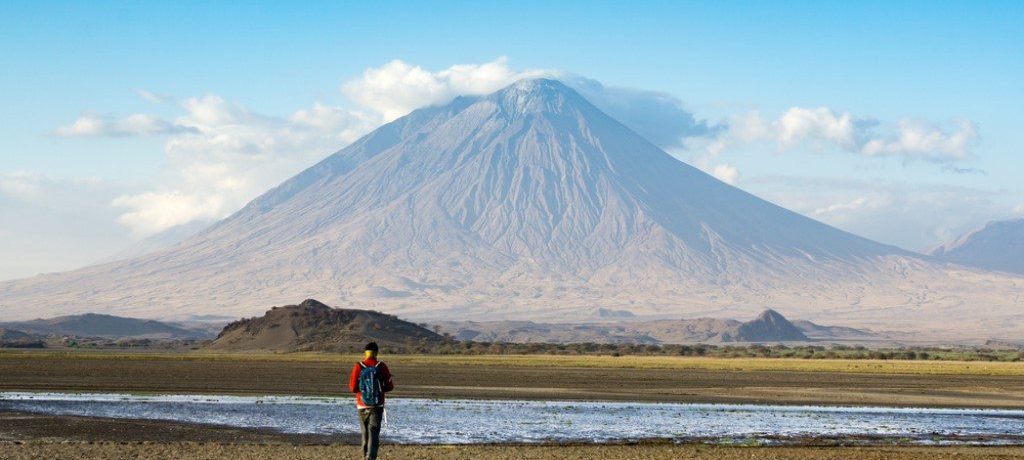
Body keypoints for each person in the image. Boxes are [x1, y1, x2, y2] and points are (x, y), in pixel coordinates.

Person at [348, 342, 394, 460]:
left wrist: (363, 391)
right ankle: (370, 458)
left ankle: (365, 457)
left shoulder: (358, 366)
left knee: (365, 434)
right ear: (376, 352)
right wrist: (379, 390)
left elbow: (352, 388)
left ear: (365, 352)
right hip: (377, 405)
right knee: (373, 434)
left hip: (361, 405)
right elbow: (390, 386)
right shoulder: (381, 366)